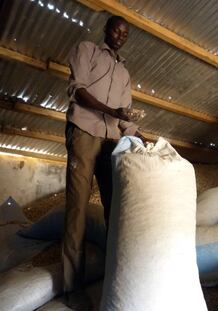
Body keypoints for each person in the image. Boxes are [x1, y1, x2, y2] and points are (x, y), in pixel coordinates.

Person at [62, 15, 144, 309]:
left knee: (115, 209)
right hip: (84, 133)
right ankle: (73, 287)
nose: (121, 36)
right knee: (78, 210)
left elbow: (127, 118)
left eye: (125, 34)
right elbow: (79, 90)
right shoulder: (88, 50)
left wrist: (145, 141)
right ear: (107, 30)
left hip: (111, 142)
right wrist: (114, 112)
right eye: (117, 30)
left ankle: (114, 276)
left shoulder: (124, 73)